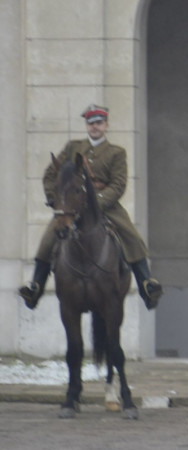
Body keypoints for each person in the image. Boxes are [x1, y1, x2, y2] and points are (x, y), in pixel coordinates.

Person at [19, 104, 163, 310]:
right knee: (49, 238)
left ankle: (147, 284)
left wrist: (98, 202)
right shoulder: (73, 147)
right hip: (72, 207)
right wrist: (55, 199)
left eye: (98, 123)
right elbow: (51, 174)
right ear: (86, 126)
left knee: (131, 236)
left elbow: (118, 184)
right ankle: (35, 286)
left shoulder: (116, 153)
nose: (94, 127)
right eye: (91, 123)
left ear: (106, 125)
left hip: (105, 206)